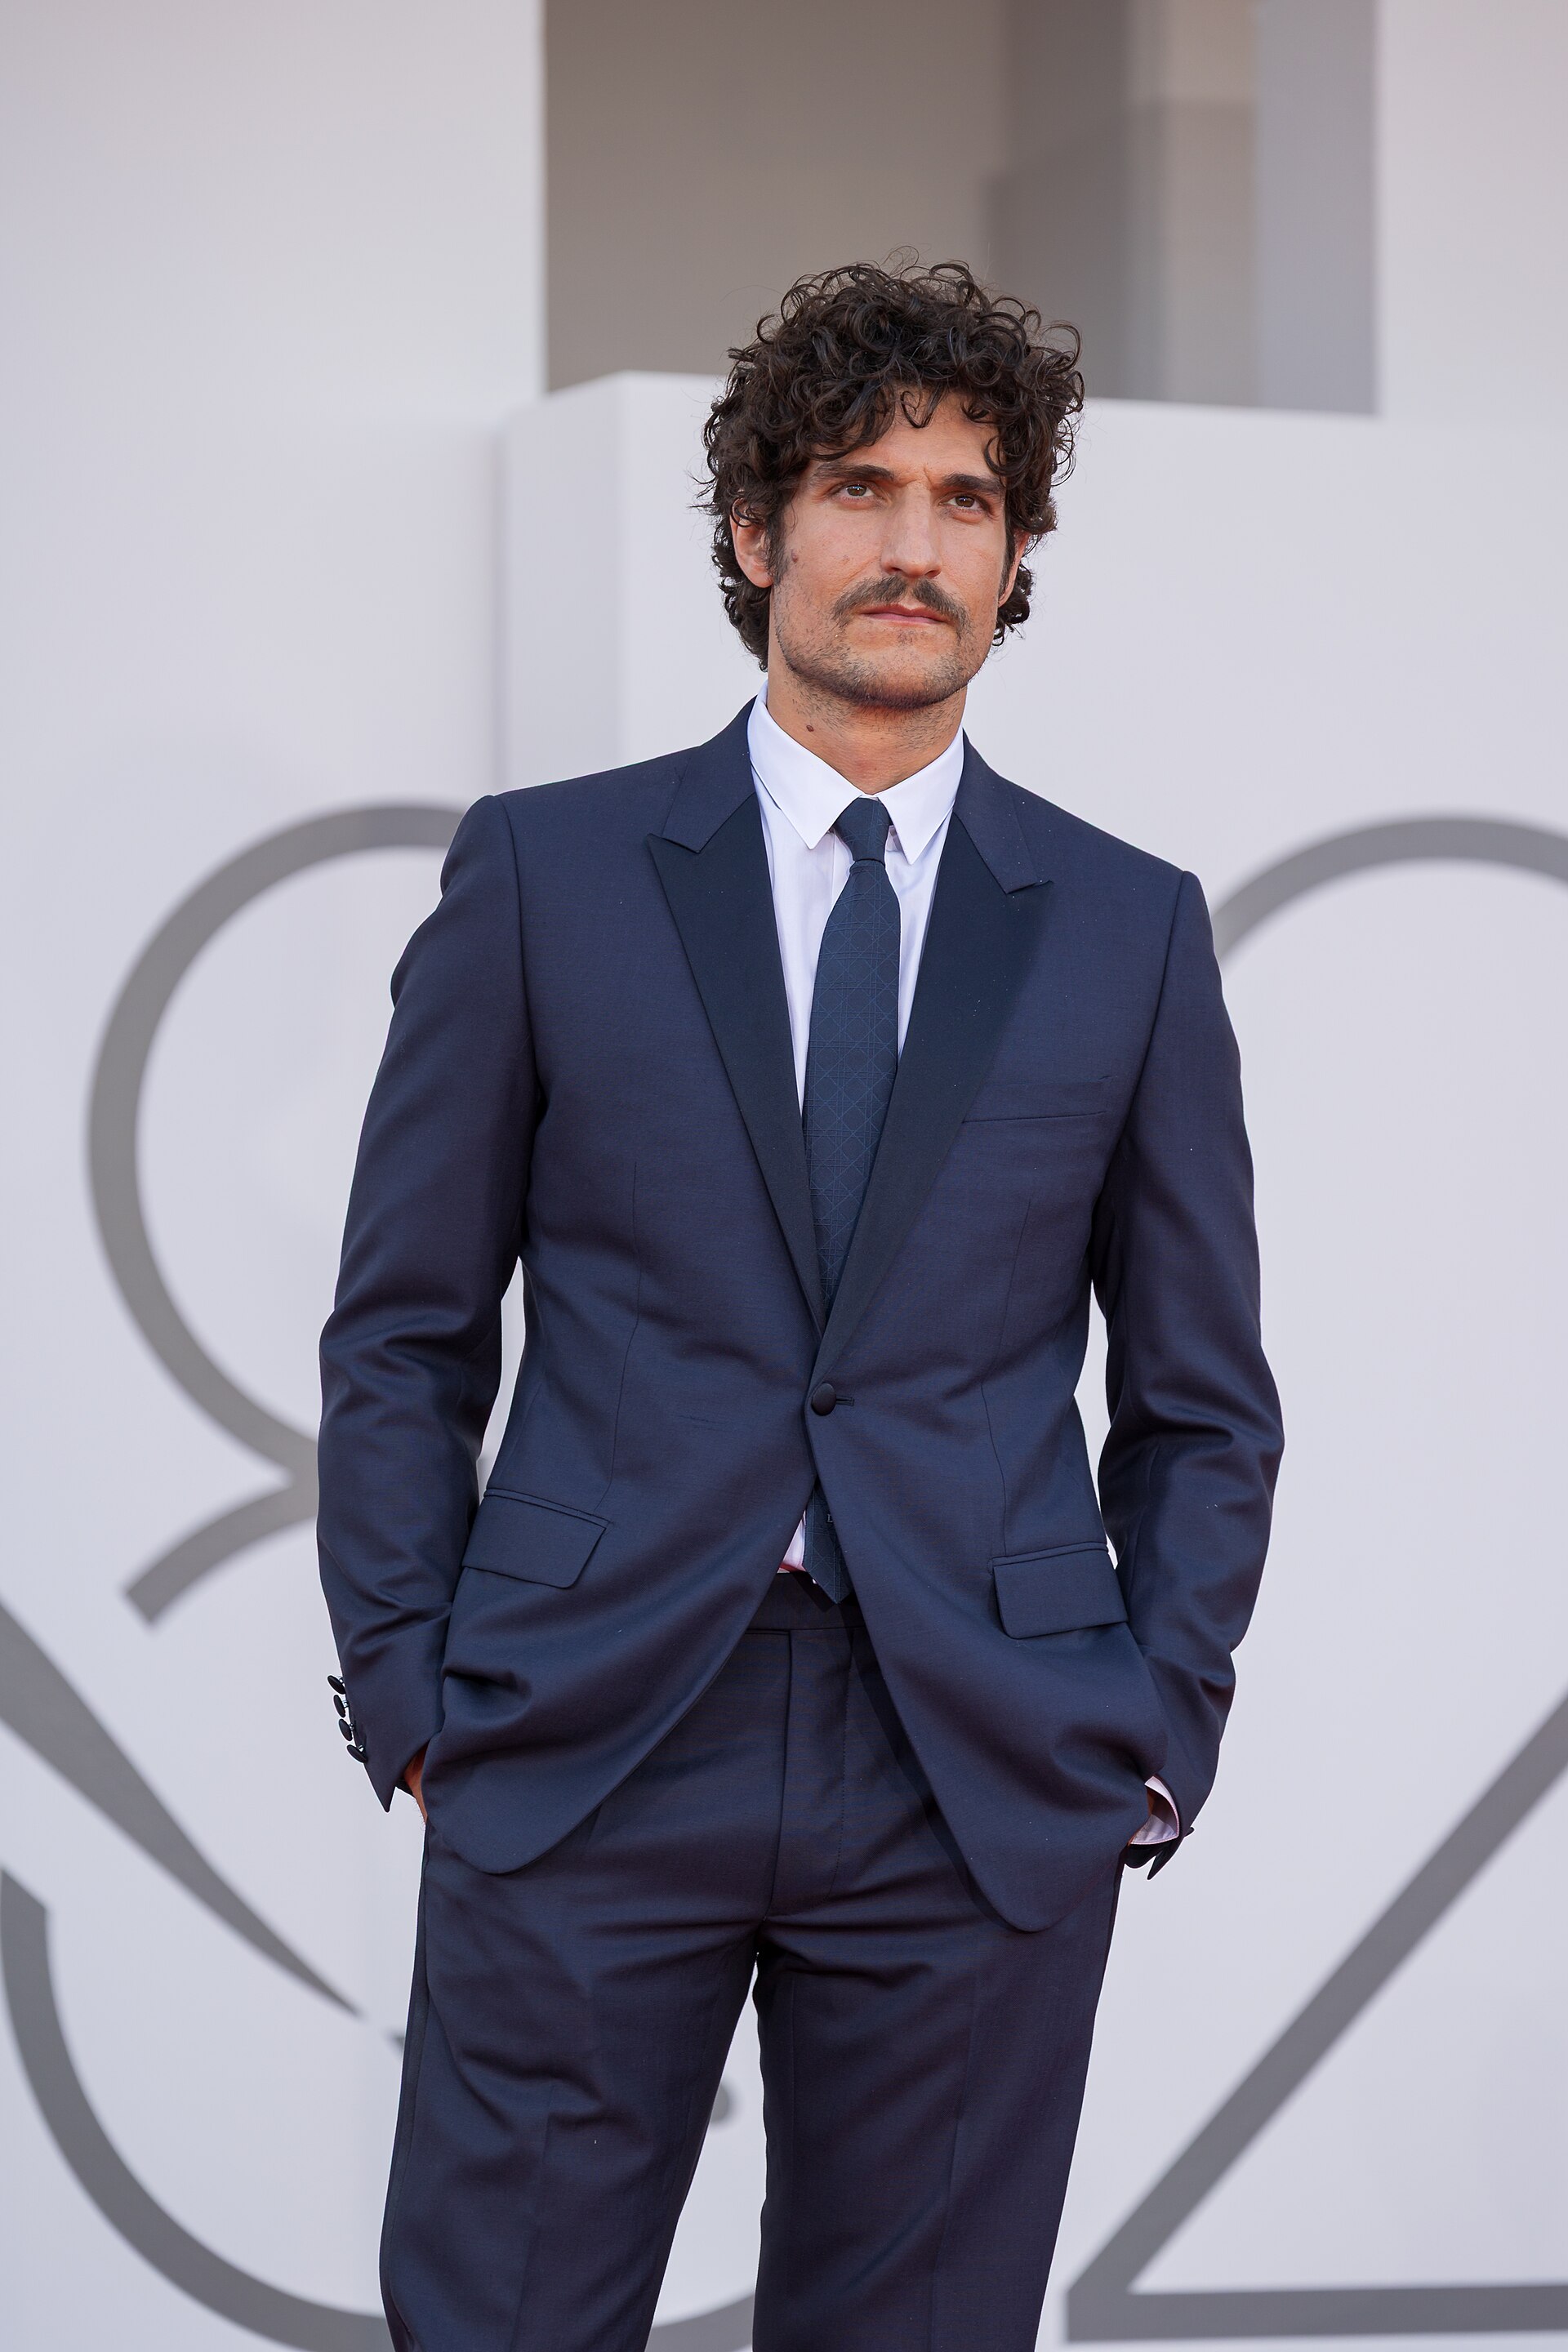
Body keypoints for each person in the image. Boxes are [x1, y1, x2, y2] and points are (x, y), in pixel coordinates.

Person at [318, 259, 1282, 2352]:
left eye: (966, 499)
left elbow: (1203, 1397)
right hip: (587, 1730)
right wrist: (411, 1693)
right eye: (860, 485)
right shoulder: (546, 877)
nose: (914, 544)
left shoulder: (1126, 930)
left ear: (1013, 556)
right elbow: (403, 1328)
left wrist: (1153, 1730)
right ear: (758, 531)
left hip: (976, 1760)